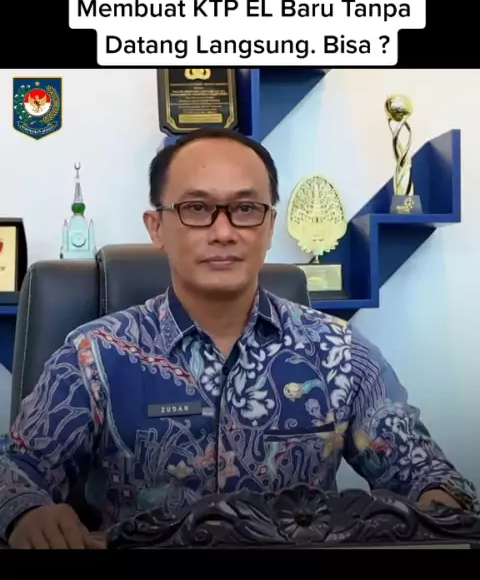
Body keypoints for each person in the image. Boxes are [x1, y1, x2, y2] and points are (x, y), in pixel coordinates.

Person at [0, 127, 477, 549]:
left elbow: (427, 475)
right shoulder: (96, 356)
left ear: (269, 227)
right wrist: (27, 513)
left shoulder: (340, 354)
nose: (223, 231)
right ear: (157, 227)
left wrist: (439, 508)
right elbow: (17, 471)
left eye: (246, 209)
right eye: (197, 209)